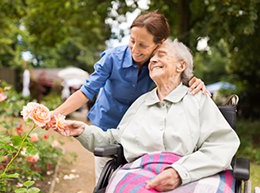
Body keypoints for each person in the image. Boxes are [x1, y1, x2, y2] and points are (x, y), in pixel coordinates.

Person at [52, 39, 240, 193]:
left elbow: (222, 144)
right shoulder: (141, 103)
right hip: (140, 172)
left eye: (162, 55)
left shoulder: (198, 99)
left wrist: (180, 173)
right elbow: (116, 139)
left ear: (181, 66)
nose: (153, 60)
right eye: (152, 58)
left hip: (194, 172)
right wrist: (83, 131)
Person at [46, 10, 209, 182]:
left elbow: (177, 77)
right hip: (106, 125)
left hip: (137, 132)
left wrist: (193, 81)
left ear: (159, 43)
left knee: (134, 180)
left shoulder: (158, 62)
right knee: (105, 179)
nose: (135, 49)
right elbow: (86, 91)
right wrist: (55, 113)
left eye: (143, 45)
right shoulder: (112, 58)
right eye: (132, 41)